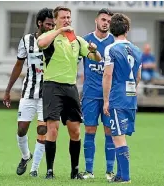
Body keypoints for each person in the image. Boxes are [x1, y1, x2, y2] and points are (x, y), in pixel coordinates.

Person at [37, 6, 102, 179]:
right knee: (53, 128)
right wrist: (59, 31)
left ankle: (74, 171)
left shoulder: (77, 40)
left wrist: (94, 50)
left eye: (68, 17)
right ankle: (50, 171)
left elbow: (97, 58)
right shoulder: (48, 36)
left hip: (70, 88)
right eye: (63, 17)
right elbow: (41, 44)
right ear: (56, 19)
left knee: (75, 131)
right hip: (52, 86)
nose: (67, 20)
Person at [3, 8, 55, 177]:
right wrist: (8, 89)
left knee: (42, 129)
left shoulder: (56, 40)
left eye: (53, 24)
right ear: (39, 23)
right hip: (28, 92)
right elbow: (18, 65)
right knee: (21, 129)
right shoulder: (26, 40)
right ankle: (26, 156)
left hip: (47, 94)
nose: (51, 26)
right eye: (48, 24)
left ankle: (35, 169)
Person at [103, 13, 142, 183]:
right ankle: (119, 175)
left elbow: (107, 76)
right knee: (118, 135)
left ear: (112, 30)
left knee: (118, 137)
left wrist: (106, 100)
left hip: (117, 98)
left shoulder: (111, 49)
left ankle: (125, 177)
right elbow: (138, 76)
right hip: (131, 99)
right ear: (127, 29)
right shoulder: (138, 50)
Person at [80, 9, 115, 181]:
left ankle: (109, 172)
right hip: (90, 95)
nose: (106, 23)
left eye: (109, 21)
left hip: (110, 96)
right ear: (96, 20)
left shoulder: (114, 43)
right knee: (89, 130)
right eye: (103, 19)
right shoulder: (85, 40)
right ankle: (89, 171)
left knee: (110, 132)